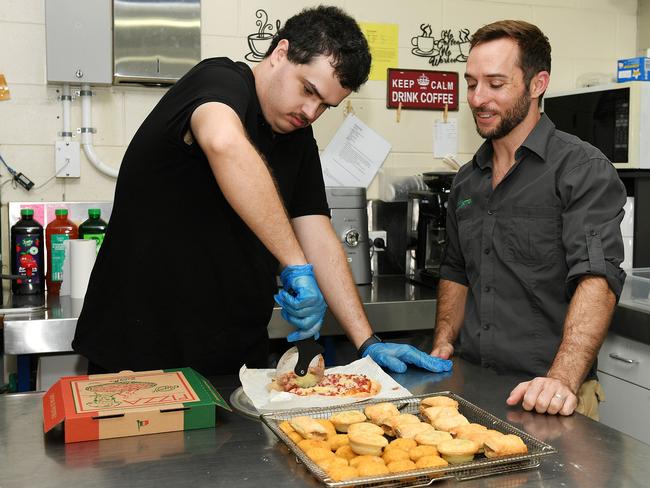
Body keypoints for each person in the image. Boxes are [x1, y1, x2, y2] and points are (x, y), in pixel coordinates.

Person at [72, 6, 452, 377]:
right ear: (280, 53)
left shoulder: (298, 137)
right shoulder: (218, 81)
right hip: (139, 353)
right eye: (308, 90)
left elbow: (317, 233)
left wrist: (367, 341)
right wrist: (295, 265)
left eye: (325, 106)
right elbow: (224, 143)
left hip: (231, 359)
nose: (310, 112)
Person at [430, 20, 626, 419]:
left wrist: (561, 379)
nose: (477, 98)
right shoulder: (468, 179)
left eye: (495, 84)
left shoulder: (581, 169)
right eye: (471, 83)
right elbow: (456, 271)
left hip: (549, 396)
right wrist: (443, 343)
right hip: (473, 388)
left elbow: (597, 279)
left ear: (537, 85)